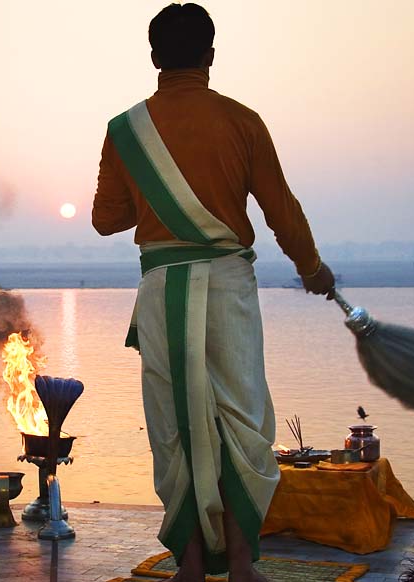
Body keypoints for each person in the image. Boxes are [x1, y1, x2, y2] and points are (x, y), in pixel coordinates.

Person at [91, 4, 334, 581]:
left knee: (175, 428)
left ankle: (192, 566)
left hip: (160, 290)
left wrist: (152, 197)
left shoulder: (124, 131)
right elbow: (283, 210)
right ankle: (244, 564)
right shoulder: (243, 120)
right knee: (240, 426)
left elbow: (105, 220)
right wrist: (312, 268)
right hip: (227, 290)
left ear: (153, 58)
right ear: (210, 56)